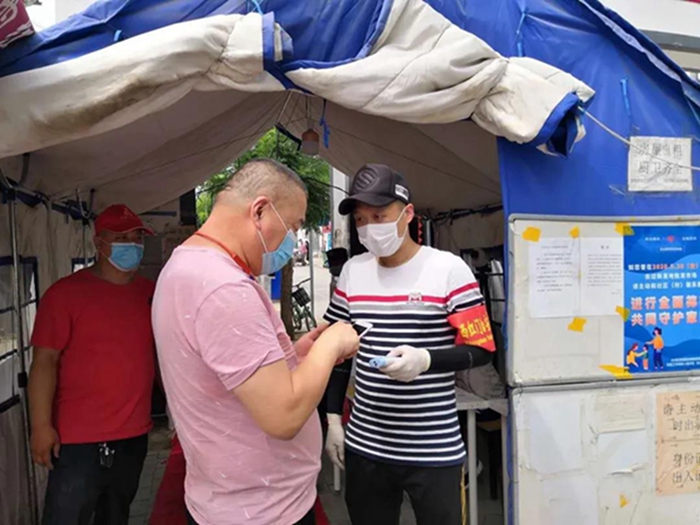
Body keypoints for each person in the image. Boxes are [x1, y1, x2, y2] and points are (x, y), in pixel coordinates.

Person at [152, 159, 359, 525]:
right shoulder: (224, 288)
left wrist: (295, 356)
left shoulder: (187, 265)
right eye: (292, 226)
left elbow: (228, 372)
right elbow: (283, 416)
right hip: (261, 511)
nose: (291, 241)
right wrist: (331, 347)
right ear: (260, 211)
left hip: (234, 499)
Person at [324, 164, 495, 525]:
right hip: (366, 447)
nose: (369, 227)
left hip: (433, 450)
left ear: (408, 214)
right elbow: (338, 353)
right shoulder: (353, 272)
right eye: (360, 219)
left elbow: (481, 349)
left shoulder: (449, 270)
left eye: (379, 216)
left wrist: (426, 360)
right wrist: (333, 419)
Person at [28, 204, 157, 525]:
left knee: (116, 516)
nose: (132, 245)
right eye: (121, 238)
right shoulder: (64, 295)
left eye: (137, 238)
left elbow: (161, 356)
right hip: (77, 441)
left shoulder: (150, 293)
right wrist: (41, 426)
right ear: (99, 243)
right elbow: (44, 361)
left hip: (133, 435)